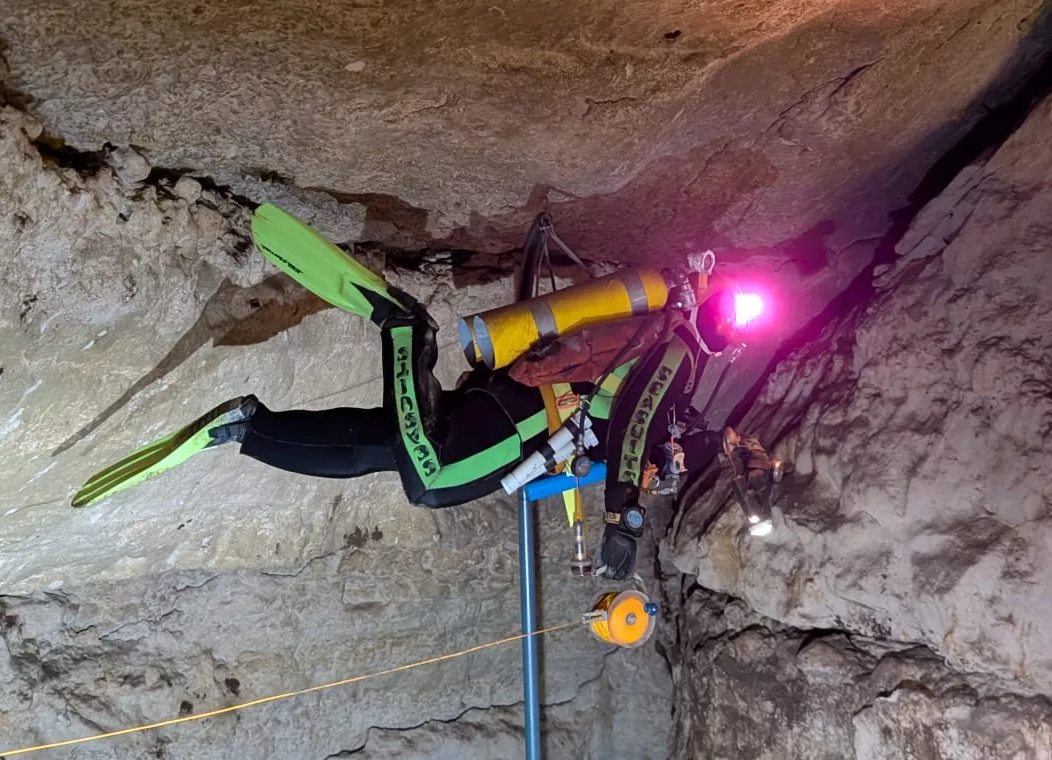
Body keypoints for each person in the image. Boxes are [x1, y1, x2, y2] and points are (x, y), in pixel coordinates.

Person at [72, 205, 776, 578]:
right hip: (530, 418)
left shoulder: (682, 365)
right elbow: (636, 412)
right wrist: (622, 514)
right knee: (430, 479)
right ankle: (402, 323)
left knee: (391, 446)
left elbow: (649, 426)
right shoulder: (679, 352)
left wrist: (697, 451)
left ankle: (245, 429)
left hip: (528, 419)